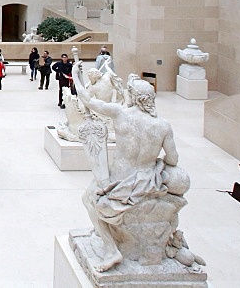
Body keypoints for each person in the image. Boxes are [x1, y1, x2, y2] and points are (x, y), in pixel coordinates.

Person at [74, 63, 188, 273]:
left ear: (133, 96)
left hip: (120, 180)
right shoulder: (163, 125)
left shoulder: (121, 113)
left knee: (88, 199)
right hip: (146, 179)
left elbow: (87, 99)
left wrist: (75, 73)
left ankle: (111, 250)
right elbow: (173, 159)